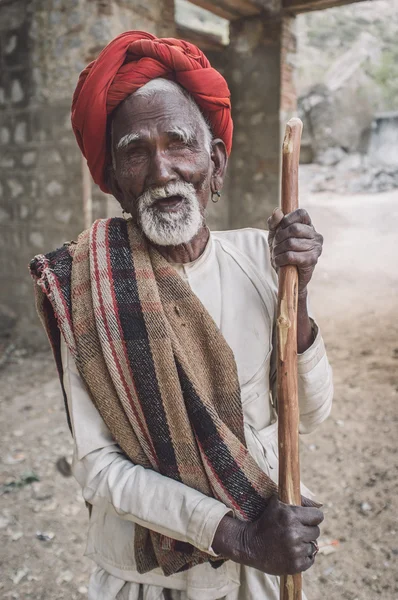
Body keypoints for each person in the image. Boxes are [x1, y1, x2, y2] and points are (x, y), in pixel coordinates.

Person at [30, 31, 333, 600]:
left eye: (180, 144)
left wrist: (300, 297)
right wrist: (239, 537)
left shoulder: (263, 262)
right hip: (144, 578)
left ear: (214, 163)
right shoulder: (90, 288)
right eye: (135, 151)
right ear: (114, 180)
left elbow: (312, 413)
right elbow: (100, 469)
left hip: (260, 574)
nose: (162, 170)